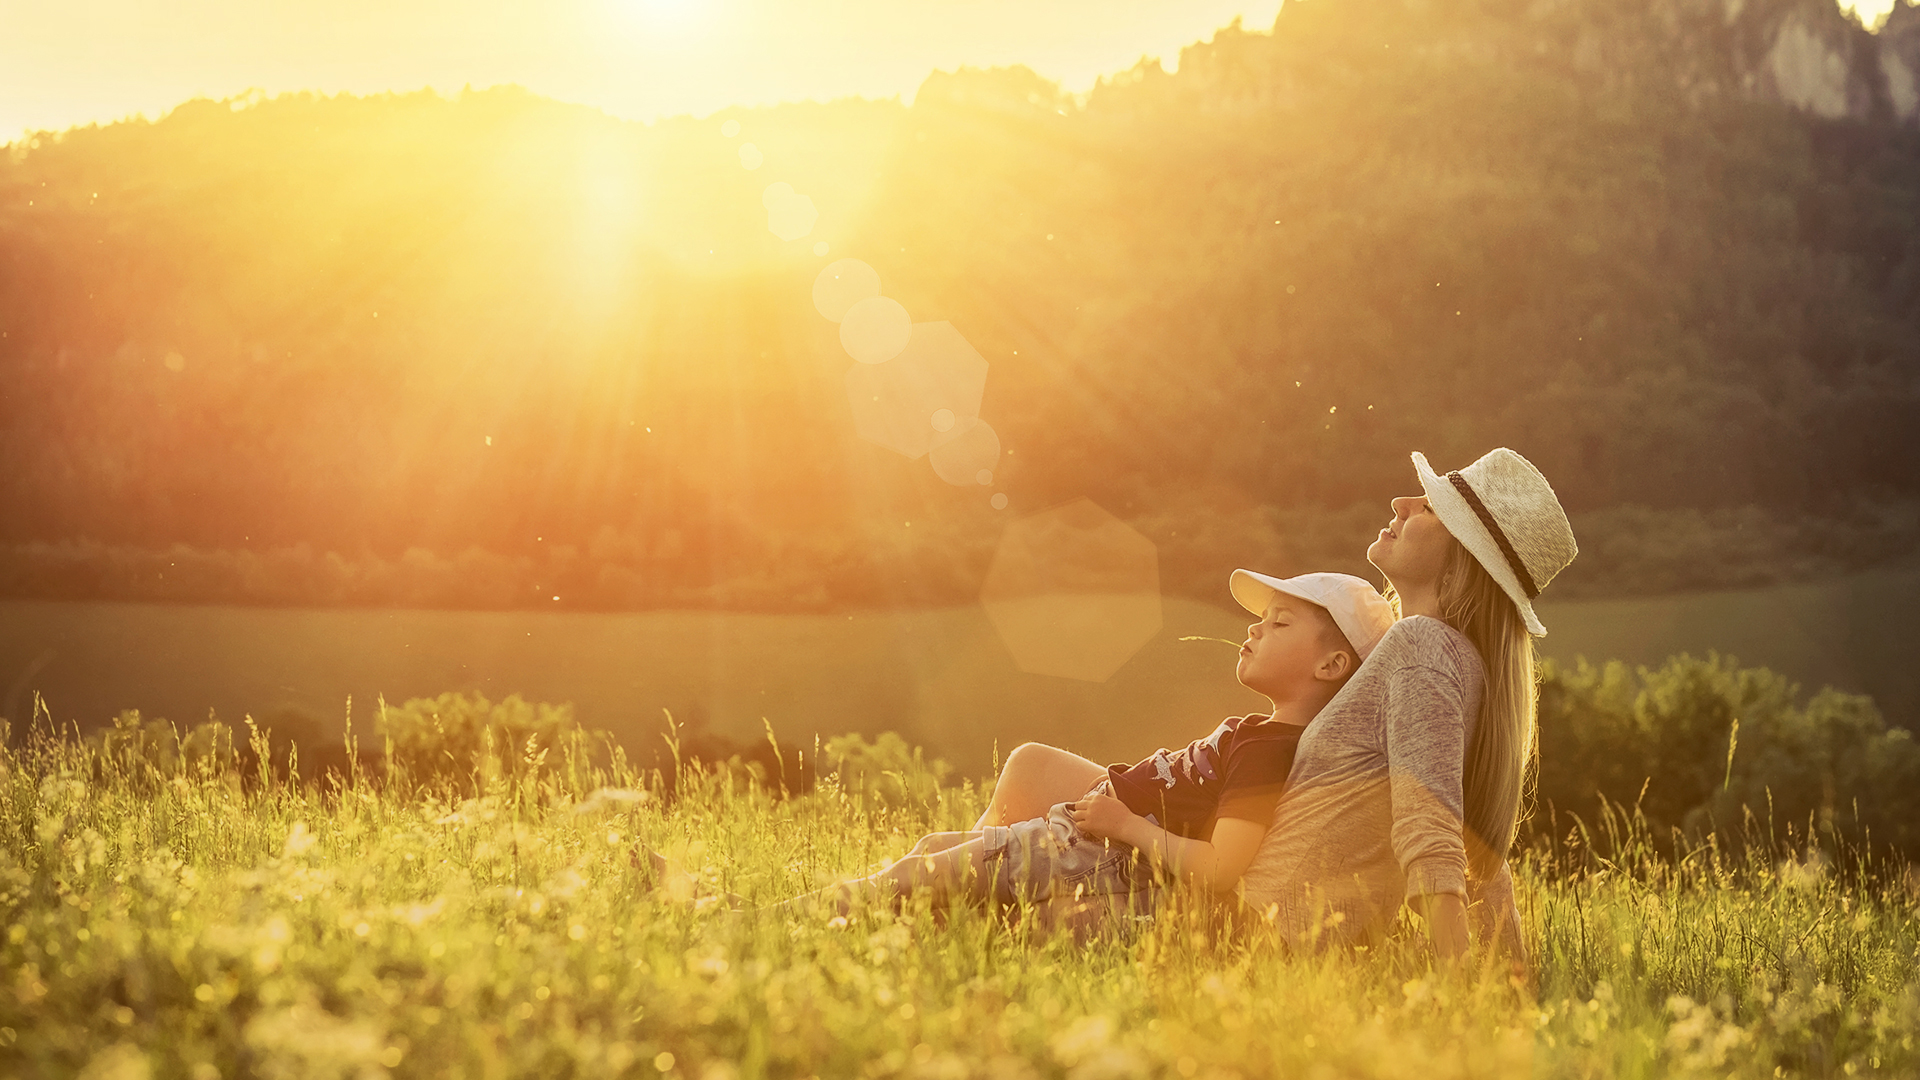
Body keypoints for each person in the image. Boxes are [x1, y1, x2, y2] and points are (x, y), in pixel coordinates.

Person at [776, 572, 1396, 922]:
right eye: (1263, 618)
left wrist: (1125, 824)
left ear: (1333, 664)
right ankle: (824, 920)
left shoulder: (1270, 754)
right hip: (1085, 836)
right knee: (935, 855)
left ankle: (768, 921)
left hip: (1093, 851)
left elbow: (1220, 867)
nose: (1256, 627)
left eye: (1281, 623)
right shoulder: (1258, 735)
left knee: (927, 873)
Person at [1237, 448, 1579, 965]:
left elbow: (1432, 830)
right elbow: (1476, 852)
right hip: (1272, 930)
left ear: (1465, 556)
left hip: (1252, 933)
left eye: (1432, 508)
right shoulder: (1446, 662)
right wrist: (1511, 975)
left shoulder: (1424, 650)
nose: (1402, 502)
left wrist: (1467, 988)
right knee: (1066, 772)